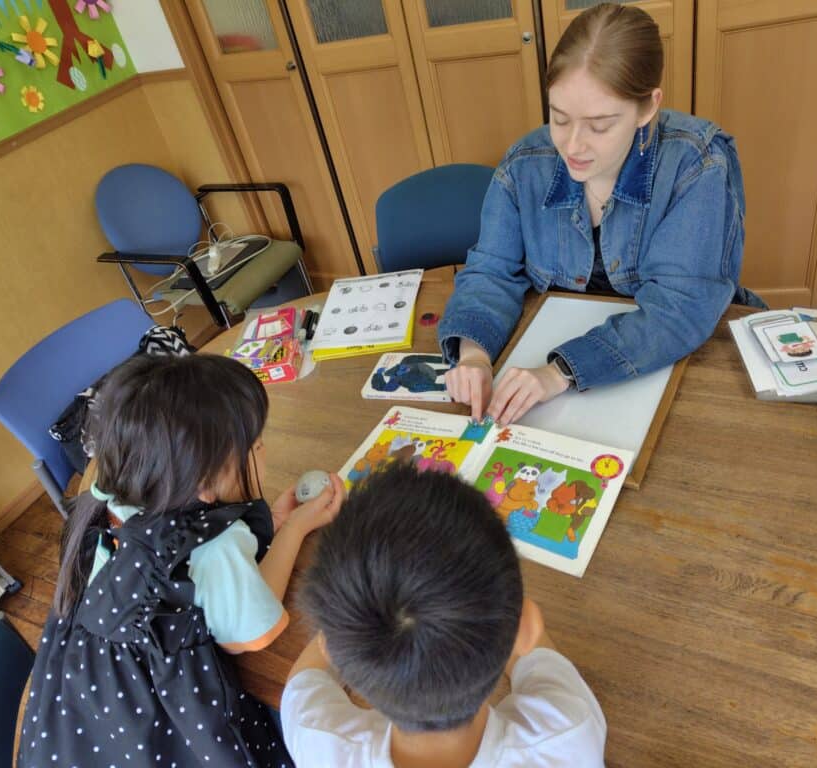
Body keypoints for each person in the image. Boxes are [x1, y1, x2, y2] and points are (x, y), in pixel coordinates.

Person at [439, 2, 764, 425]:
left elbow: (679, 309)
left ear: (648, 107)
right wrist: (474, 356)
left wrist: (559, 372)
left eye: (600, 126)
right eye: (559, 119)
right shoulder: (525, 164)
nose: (573, 145)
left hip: (678, 364)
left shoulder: (695, 164)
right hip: (564, 378)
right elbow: (490, 272)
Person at [17, 354, 343, 768]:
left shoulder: (111, 503)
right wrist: (294, 530)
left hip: (84, 720)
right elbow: (253, 635)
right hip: (168, 730)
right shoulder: (214, 543)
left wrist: (273, 523)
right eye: (255, 444)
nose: (262, 449)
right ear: (204, 482)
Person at [281, 465, 607, 767]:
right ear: (527, 625)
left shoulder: (318, 740)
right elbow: (534, 655)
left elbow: (305, 681)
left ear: (329, 648)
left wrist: (353, 616)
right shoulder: (568, 733)